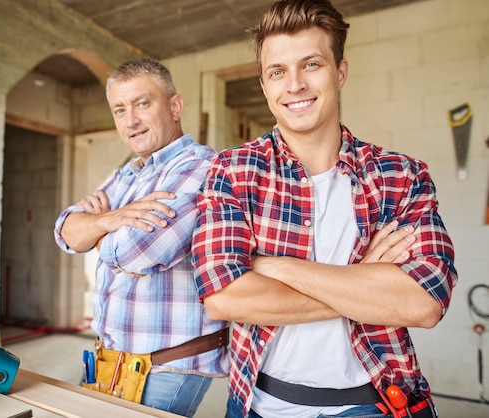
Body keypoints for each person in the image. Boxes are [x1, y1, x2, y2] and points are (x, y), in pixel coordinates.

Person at [191, 1, 457, 417]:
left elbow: (424, 303)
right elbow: (224, 298)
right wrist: (367, 285)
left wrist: (274, 266)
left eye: (310, 64)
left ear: (340, 72)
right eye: (277, 71)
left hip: (379, 403)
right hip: (261, 405)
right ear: (264, 86)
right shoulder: (233, 171)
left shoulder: (401, 176)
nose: (294, 84)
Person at [54, 58, 228, 417]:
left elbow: (136, 253)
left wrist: (98, 225)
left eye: (142, 103)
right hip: (116, 358)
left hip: (168, 364)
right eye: (119, 109)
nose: (130, 120)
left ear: (175, 107)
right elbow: (65, 231)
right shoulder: (128, 174)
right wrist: (114, 220)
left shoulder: (200, 167)